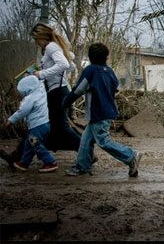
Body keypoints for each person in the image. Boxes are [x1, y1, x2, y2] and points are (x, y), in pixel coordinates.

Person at [62, 42, 141, 177]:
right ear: (107, 58)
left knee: (103, 141)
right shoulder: (109, 71)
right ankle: (82, 166)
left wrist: (65, 102)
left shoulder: (90, 70)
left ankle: (130, 156)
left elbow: (79, 89)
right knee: (86, 140)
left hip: (99, 112)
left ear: (91, 58)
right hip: (107, 111)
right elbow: (116, 87)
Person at [31, 22, 81, 153]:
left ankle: (85, 149)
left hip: (57, 92)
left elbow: (64, 64)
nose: (36, 43)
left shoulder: (51, 47)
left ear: (41, 37)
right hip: (58, 90)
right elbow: (70, 65)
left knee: (61, 126)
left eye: (36, 39)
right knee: (54, 126)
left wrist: (41, 74)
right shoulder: (55, 46)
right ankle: (24, 155)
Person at [5, 75, 58, 173]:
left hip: (36, 126)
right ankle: (24, 163)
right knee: (29, 144)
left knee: (36, 144)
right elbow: (41, 82)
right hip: (44, 125)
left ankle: (50, 162)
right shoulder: (41, 91)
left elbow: (22, 111)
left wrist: (11, 120)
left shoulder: (31, 98)